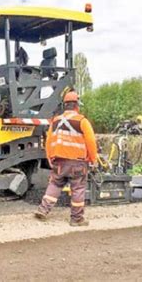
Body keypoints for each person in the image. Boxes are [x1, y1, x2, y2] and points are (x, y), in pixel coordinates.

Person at [35, 91, 97, 226]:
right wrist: (93, 159)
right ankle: (76, 219)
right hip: (77, 162)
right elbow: (91, 141)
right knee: (78, 189)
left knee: (55, 184)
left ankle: (43, 210)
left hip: (59, 161)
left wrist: (50, 156)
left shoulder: (55, 121)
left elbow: (49, 140)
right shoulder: (82, 121)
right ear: (77, 106)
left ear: (65, 105)